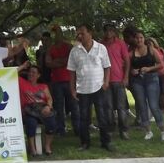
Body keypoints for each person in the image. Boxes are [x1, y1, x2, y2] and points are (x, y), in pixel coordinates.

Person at [67, 24, 114, 152]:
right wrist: (72, 89)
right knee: (84, 118)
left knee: (102, 117)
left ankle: (106, 142)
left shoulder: (101, 48)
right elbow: (71, 72)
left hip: (99, 87)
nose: (80, 36)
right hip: (82, 89)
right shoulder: (75, 51)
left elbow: (107, 66)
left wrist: (106, 82)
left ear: (90, 33)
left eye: (82, 33)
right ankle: (84, 143)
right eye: (79, 34)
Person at [130, 31, 164, 141]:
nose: (139, 40)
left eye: (141, 37)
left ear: (144, 38)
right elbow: (128, 67)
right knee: (141, 106)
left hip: (152, 79)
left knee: (153, 105)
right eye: (137, 38)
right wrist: (133, 71)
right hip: (138, 81)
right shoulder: (132, 53)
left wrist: (149, 69)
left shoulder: (151, 49)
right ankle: (148, 131)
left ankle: (163, 130)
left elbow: (161, 64)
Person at [46, 25, 78, 136]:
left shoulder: (69, 46)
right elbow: (48, 63)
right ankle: (61, 129)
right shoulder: (51, 48)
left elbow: (71, 60)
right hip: (56, 81)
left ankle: (77, 128)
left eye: (58, 32)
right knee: (58, 107)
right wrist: (62, 61)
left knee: (74, 105)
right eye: (55, 33)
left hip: (69, 80)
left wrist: (56, 61)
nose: (57, 35)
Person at [18, 63, 56, 156]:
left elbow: (49, 99)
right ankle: (32, 149)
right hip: (29, 109)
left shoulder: (43, 86)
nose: (31, 74)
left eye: (34, 72)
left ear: (38, 75)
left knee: (51, 123)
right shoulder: (22, 82)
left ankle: (47, 146)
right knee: (31, 124)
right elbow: (11, 73)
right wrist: (23, 67)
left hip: (42, 108)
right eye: (30, 72)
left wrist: (48, 106)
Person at [101, 24, 131, 140]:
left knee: (121, 107)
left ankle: (123, 130)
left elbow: (127, 61)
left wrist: (126, 77)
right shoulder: (100, 44)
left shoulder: (121, 43)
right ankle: (110, 129)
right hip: (105, 80)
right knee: (108, 107)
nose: (108, 33)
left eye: (111, 31)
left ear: (114, 32)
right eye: (106, 31)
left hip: (119, 79)